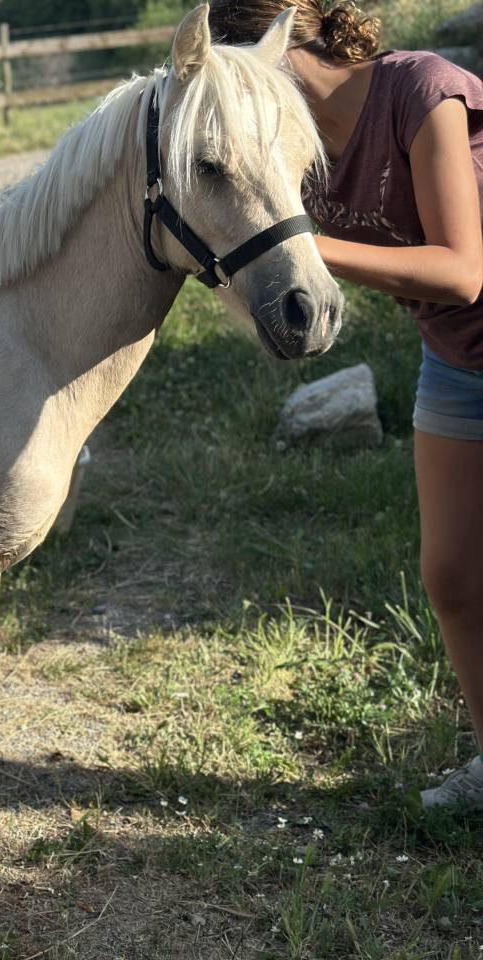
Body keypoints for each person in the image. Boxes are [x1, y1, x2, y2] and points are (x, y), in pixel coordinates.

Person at [205, 0, 483, 809]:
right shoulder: (293, 148)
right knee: (454, 576)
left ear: (285, 38)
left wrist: (297, 243)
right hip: (456, 361)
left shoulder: (419, 92)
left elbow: (464, 270)